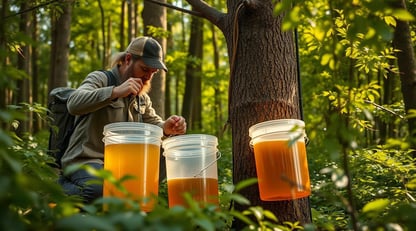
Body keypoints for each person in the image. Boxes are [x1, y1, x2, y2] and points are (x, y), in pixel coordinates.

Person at [58, 36, 187, 204]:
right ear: (128, 59)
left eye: (152, 73)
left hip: (121, 164)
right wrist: (115, 92)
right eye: (144, 69)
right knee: (100, 189)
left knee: (166, 153)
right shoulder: (101, 79)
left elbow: (153, 123)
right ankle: (52, 192)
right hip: (87, 160)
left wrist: (166, 127)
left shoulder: (142, 98)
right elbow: (74, 104)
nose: (148, 77)